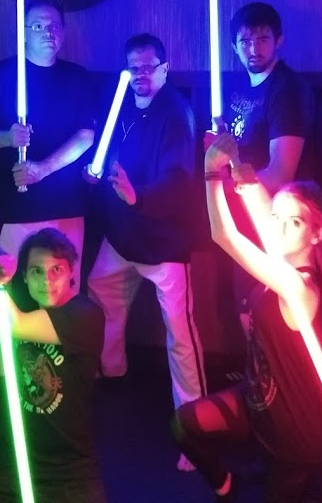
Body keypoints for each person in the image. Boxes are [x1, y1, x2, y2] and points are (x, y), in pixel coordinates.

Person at [173, 131, 322, 502]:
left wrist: (211, 173)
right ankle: (226, 485)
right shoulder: (280, 259)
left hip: (293, 435)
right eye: (277, 217)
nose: (279, 226)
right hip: (255, 401)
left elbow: (225, 236)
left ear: (317, 235)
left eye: (295, 223)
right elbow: (264, 207)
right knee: (183, 425)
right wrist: (236, 165)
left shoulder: (299, 286)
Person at [85, 33, 206, 471]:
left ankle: (195, 428)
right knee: (101, 295)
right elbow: (106, 154)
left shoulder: (176, 112)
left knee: (180, 333)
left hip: (164, 242)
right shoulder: (120, 103)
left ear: (164, 68)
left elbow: (178, 178)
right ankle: (112, 376)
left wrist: (140, 198)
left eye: (148, 67)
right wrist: (95, 172)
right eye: (133, 67)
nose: (140, 75)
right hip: (122, 235)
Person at [0, 211, 106, 503]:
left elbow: (13, 323)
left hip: (70, 468)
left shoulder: (86, 316)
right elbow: (2, 339)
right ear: (26, 278)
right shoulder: (16, 311)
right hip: (11, 463)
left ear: (71, 273)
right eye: (36, 272)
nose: (47, 281)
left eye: (57, 269)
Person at [0, 0, 95, 285]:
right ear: (23, 32)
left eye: (54, 26)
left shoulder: (78, 78)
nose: (48, 32)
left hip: (66, 209)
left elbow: (86, 136)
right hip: (11, 210)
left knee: (64, 296)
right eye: (38, 26)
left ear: (63, 32)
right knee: (10, 295)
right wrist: (7, 138)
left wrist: (43, 169)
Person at [219, 2, 314, 330]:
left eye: (262, 39)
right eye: (245, 41)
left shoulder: (287, 90)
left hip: (276, 223)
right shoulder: (239, 85)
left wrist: (224, 188)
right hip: (245, 216)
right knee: (244, 311)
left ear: (279, 40)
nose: (253, 49)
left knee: (266, 317)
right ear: (234, 46)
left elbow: (280, 172)